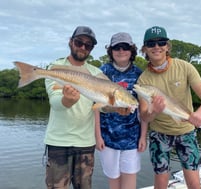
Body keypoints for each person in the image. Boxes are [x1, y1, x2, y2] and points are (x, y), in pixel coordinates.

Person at [137, 26, 201, 189]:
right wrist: (153, 111)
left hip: (185, 131)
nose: (157, 47)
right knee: (160, 183)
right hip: (159, 134)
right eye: (151, 44)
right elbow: (144, 117)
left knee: (194, 183)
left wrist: (199, 115)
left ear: (167, 46)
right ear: (145, 49)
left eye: (161, 42)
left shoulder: (184, 67)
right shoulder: (143, 80)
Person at [43, 26, 102, 189]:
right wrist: (67, 100)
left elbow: (102, 106)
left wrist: (119, 108)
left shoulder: (97, 73)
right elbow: (55, 102)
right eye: (79, 42)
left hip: (86, 144)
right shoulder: (55, 67)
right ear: (71, 41)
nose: (83, 47)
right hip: (58, 142)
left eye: (88, 45)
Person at [95, 32, 147, 189]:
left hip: (132, 137)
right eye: (117, 47)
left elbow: (143, 110)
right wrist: (97, 136)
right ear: (111, 51)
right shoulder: (102, 72)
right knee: (113, 181)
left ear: (132, 50)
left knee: (130, 181)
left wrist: (143, 136)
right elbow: (95, 107)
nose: (121, 51)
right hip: (108, 136)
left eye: (125, 47)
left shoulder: (140, 75)